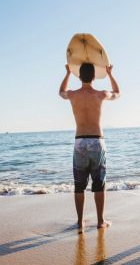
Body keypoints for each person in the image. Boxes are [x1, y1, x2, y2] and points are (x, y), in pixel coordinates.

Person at [59, 63, 120, 231]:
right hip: (97, 141)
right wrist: (109, 74)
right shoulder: (101, 94)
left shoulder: (72, 95)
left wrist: (67, 74)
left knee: (79, 185)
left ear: (79, 76)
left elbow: (61, 92)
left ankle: (80, 222)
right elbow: (118, 93)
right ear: (94, 77)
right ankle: (101, 221)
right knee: (99, 183)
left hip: (80, 142)